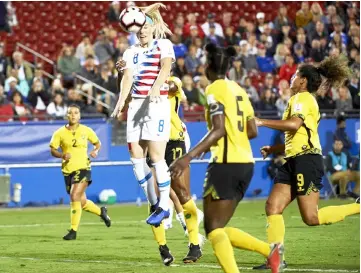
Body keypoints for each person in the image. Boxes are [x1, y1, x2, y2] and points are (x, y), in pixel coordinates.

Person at [169, 43, 283, 273]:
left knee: (213, 229)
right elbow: (252, 131)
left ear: (209, 67)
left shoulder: (213, 89)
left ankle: (267, 252)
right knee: (217, 227)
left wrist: (187, 157)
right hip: (246, 164)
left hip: (225, 164)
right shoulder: (239, 90)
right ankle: (270, 252)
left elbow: (219, 129)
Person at [253, 55, 360, 270]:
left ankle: (358, 207)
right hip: (294, 159)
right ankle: (276, 258)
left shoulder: (304, 98)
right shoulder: (296, 100)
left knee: (311, 217)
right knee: (273, 207)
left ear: (302, 81)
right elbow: (298, 135)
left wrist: (261, 121)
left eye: (294, 76)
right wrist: (274, 149)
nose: (291, 79)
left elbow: (293, 125)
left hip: (306, 161)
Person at [116, 56, 205, 265]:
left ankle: (194, 243)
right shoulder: (139, 84)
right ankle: (163, 248)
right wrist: (124, 74)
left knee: (181, 191)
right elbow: (127, 97)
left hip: (173, 140)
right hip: (152, 142)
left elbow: (171, 88)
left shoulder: (173, 81)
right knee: (154, 196)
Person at [111, 3, 174, 227]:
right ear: (134, 30)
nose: (143, 30)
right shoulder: (130, 52)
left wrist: (157, 86)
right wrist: (120, 103)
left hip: (156, 103)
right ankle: (156, 204)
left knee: (156, 157)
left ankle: (164, 206)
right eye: (140, 28)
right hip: (136, 106)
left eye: (146, 26)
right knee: (136, 159)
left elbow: (166, 68)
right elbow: (127, 79)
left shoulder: (163, 45)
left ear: (152, 27)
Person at [50, 104, 111, 240]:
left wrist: (95, 151)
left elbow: (98, 143)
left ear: (79, 115)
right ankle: (101, 212)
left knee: (74, 195)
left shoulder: (86, 130)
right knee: (81, 201)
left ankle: (73, 230)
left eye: (76, 112)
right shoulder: (59, 133)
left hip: (83, 167)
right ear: (67, 115)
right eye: (70, 113)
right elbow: (53, 149)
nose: (73, 115)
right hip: (67, 170)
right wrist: (61, 155)